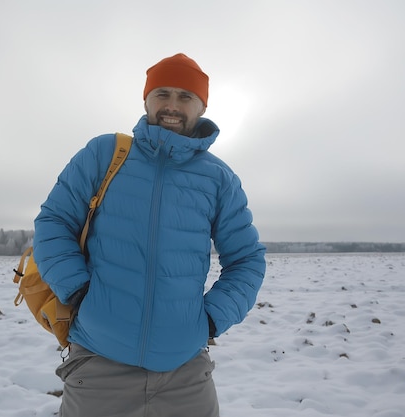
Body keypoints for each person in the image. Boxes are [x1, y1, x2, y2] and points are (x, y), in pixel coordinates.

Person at [33, 53, 266, 417]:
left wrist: (210, 319)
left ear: (202, 105)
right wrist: (79, 293)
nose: (172, 105)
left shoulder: (218, 179)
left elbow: (247, 259)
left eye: (185, 96)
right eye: (162, 93)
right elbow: (53, 223)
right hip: (98, 365)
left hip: (185, 373)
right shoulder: (106, 153)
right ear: (146, 100)